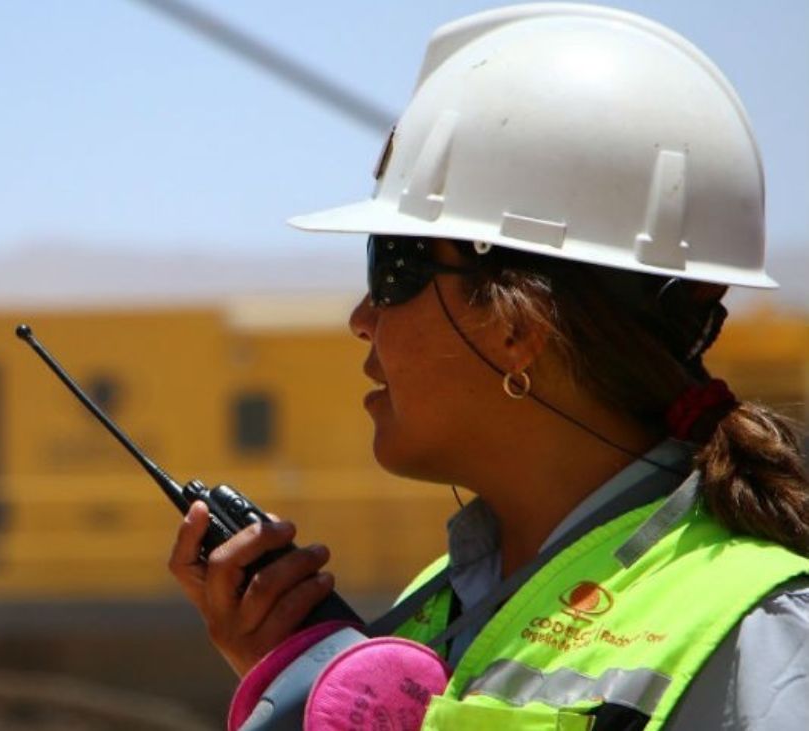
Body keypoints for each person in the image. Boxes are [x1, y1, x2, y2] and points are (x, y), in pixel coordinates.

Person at [167, 4, 809, 729]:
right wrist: (300, 680)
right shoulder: (439, 605)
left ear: (516, 326)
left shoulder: (766, 641)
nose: (361, 317)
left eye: (394, 265)